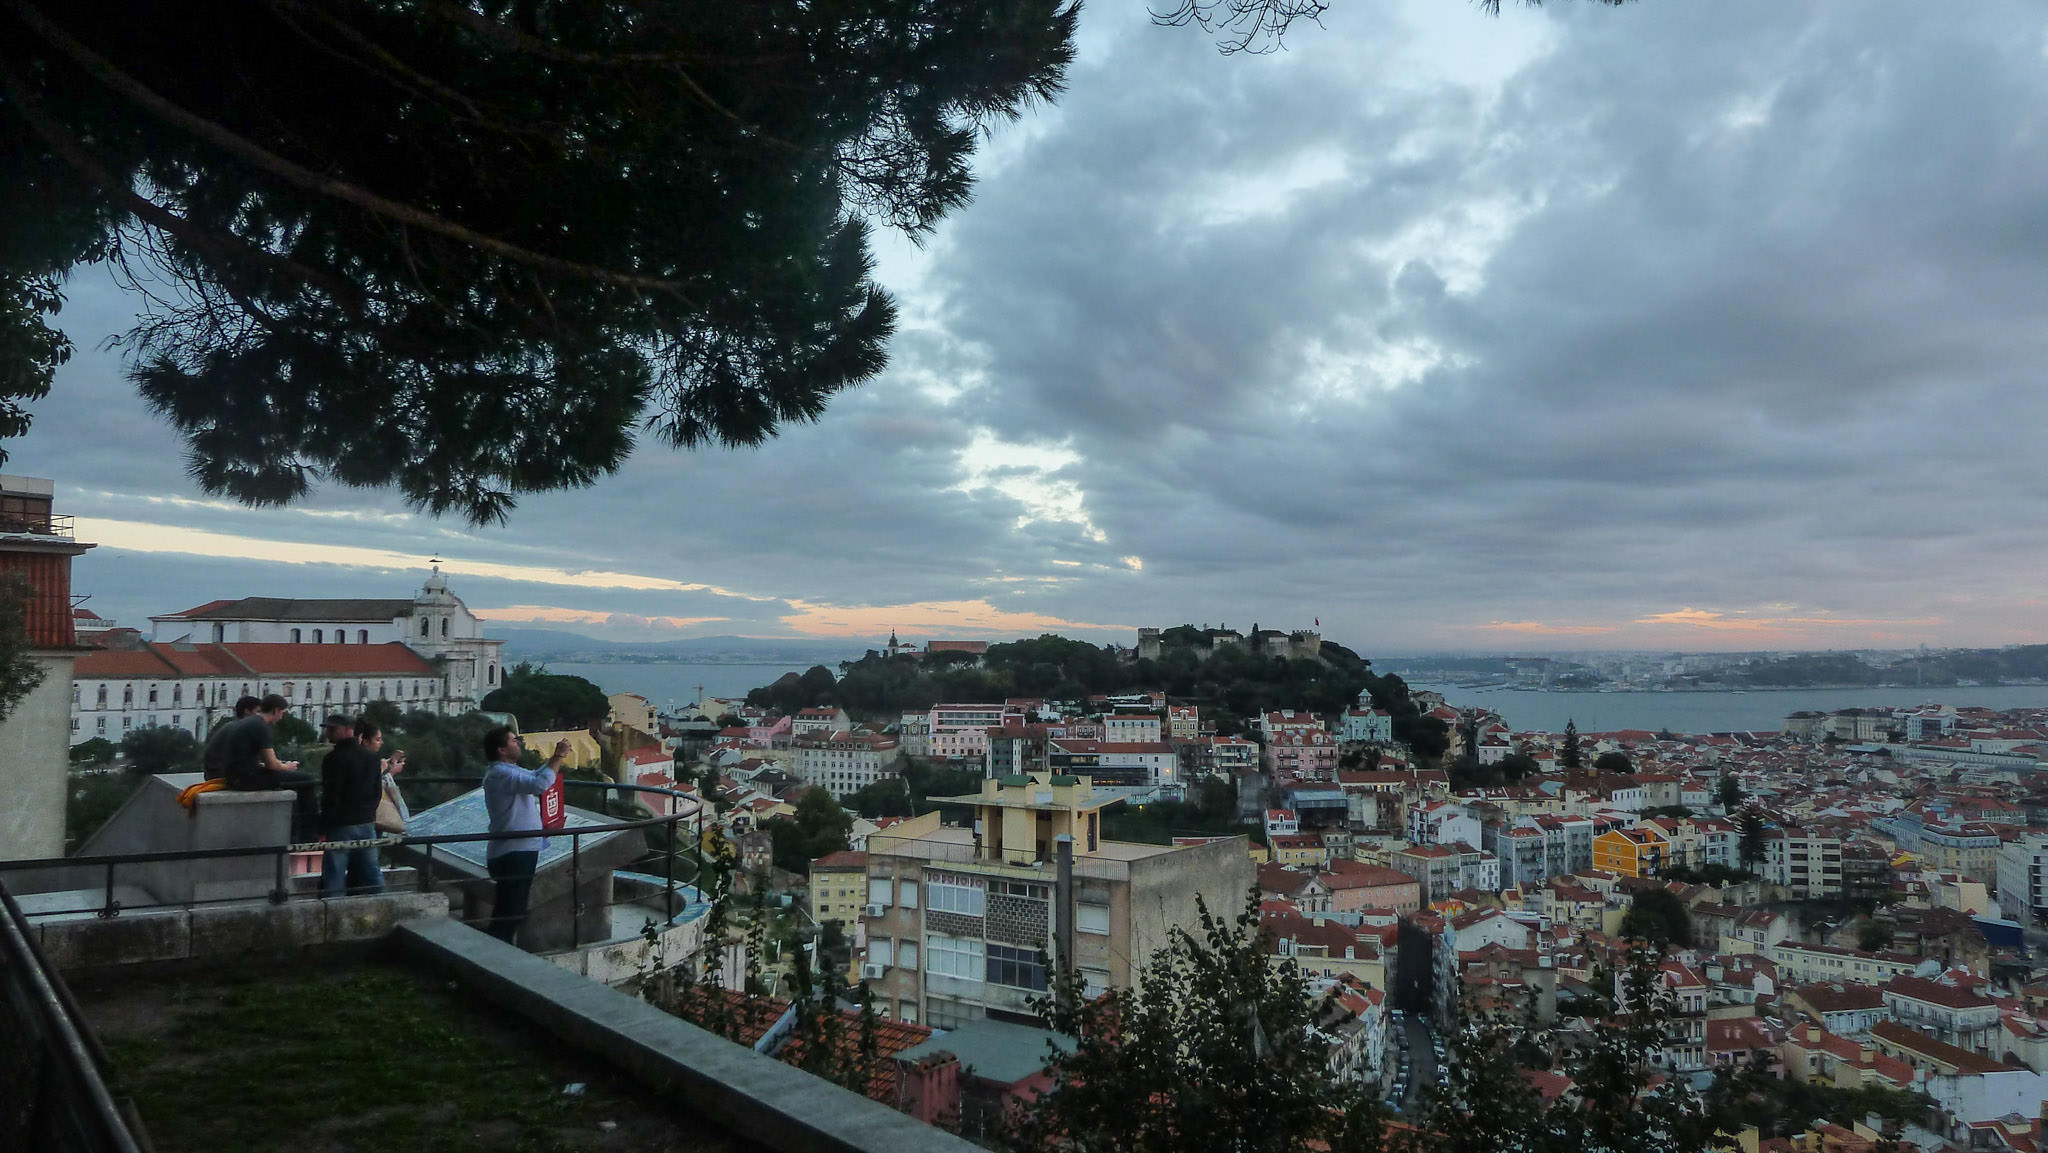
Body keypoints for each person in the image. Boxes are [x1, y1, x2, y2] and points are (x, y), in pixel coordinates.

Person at [481, 727, 570, 945]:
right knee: (511, 911)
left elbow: (535, 776)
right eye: (513, 741)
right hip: (514, 851)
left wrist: (552, 760)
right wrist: (558, 756)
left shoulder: (508, 771)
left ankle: (496, 950)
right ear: (502, 749)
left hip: (518, 849)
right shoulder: (501, 774)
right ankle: (495, 955)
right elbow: (540, 784)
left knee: (510, 909)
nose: (518, 743)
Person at [218, 694, 318, 840]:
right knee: (306, 780)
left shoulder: (250, 722)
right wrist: (287, 767)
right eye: (282, 713)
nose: (282, 717)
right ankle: (308, 834)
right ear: (276, 710)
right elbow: (272, 764)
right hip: (247, 780)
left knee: (290, 780)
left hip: (236, 776)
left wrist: (279, 766)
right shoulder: (261, 727)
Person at [317, 714, 385, 896]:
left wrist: (324, 824)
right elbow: (376, 791)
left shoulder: (333, 759)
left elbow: (331, 795)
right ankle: (381, 906)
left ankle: (331, 913)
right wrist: (370, 813)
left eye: (332, 729)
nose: (328, 732)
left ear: (348, 730)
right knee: (372, 872)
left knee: (334, 874)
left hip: (341, 824)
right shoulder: (371, 758)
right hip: (366, 821)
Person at [201, 695, 264, 780]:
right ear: (247, 711)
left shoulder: (233, 726)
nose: (261, 716)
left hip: (217, 773)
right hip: (222, 776)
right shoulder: (242, 729)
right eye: (258, 711)